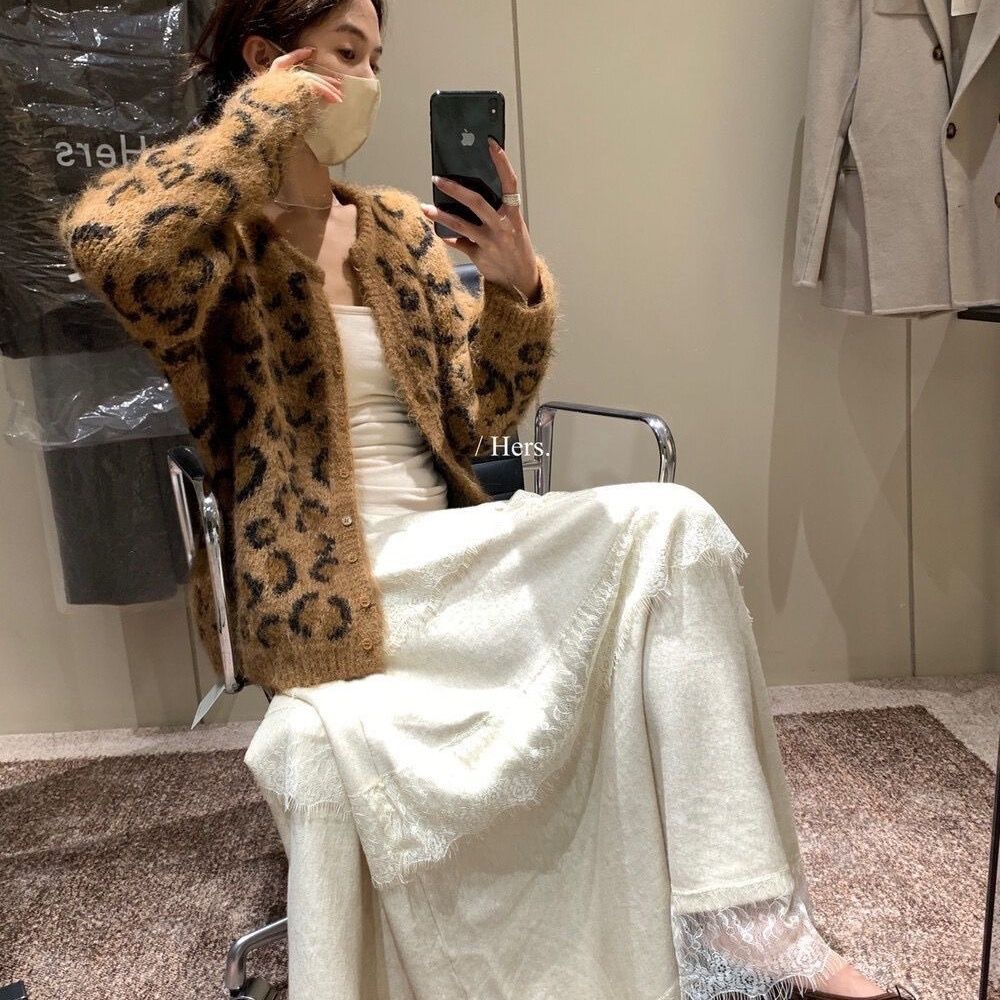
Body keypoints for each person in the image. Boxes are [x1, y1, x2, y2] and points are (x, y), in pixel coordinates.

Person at [57, 1, 917, 997]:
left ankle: (744, 916)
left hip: (443, 556)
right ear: (268, 58)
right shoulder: (214, 247)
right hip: (318, 597)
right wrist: (258, 120)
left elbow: (479, 420)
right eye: (347, 54)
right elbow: (108, 245)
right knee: (653, 544)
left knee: (675, 526)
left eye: (377, 58)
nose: (368, 81)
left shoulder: (395, 233)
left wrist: (513, 293)